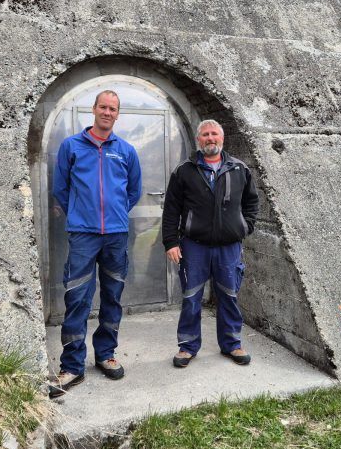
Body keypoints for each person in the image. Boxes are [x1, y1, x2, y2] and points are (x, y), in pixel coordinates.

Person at [49, 90, 142, 397]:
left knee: (113, 296)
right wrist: (81, 213)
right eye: (103, 106)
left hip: (116, 235)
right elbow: (60, 188)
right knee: (77, 297)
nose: (107, 112)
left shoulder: (126, 151)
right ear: (94, 109)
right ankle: (72, 365)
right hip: (83, 235)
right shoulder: (71, 146)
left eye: (113, 108)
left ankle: (105, 354)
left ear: (118, 114)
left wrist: (115, 215)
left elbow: (134, 191)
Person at [162, 119, 259, 368]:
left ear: (222, 138)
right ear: (198, 140)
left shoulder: (239, 169)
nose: (210, 138)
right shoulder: (184, 170)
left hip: (229, 247)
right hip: (194, 246)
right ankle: (187, 347)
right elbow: (171, 209)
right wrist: (171, 242)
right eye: (205, 134)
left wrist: (245, 226)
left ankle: (232, 344)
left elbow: (251, 202)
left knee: (229, 295)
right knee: (191, 297)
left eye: (214, 134)